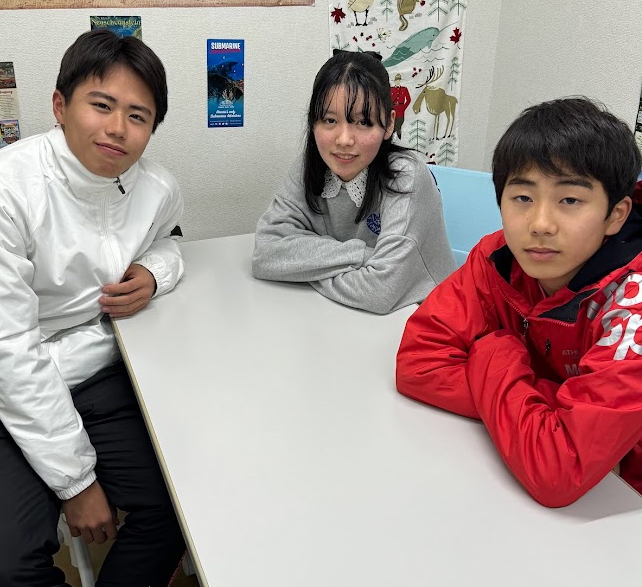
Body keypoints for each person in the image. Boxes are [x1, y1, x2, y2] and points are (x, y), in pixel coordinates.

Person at [0, 30, 211, 587]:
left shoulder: (157, 189)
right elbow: (7, 350)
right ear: (60, 106)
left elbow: (172, 246)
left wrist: (154, 272)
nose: (118, 128)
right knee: (5, 565)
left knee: (177, 506)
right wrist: (78, 482)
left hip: (97, 370)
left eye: (138, 115)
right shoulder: (5, 188)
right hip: (6, 388)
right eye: (101, 105)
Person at [396, 97, 642, 508]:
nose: (540, 224)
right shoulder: (498, 257)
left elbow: (559, 469)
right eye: (523, 198)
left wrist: (493, 349)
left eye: (570, 200)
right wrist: (548, 413)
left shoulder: (632, 306)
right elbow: (418, 363)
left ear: (616, 215)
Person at [252, 51, 456, 314]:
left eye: (363, 122)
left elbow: (379, 292)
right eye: (330, 120)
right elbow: (265, 252)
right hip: (345, 315)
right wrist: (364, 255)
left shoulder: (405, 176)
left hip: (429, 318)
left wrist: (300, 267)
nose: (344, 140)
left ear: (389, 124)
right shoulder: (309, 166)